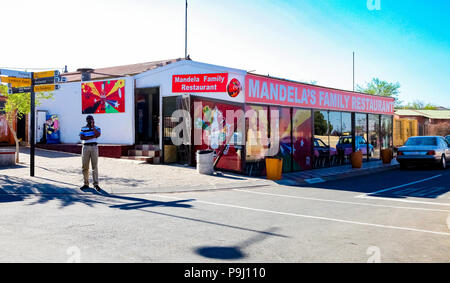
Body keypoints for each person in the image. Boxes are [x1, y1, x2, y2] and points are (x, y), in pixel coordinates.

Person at [79, 115, 102, 192]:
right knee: (85, 166)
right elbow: (82, 137)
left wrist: (93, 127)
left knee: (94, 166)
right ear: (86, 120)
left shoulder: (97, 128)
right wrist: (92, 137)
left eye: (91, 119)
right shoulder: (83, 128)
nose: (89, 121)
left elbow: (98, 134)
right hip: (85, 148)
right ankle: (86, 183)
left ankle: (96, 184)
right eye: (88, 119)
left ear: (93, 120)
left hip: (94, 147)